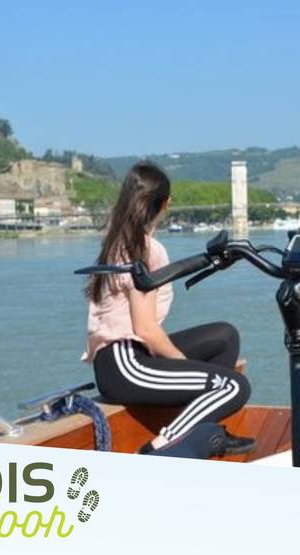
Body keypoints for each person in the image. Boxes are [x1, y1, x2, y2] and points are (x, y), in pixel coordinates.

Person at [82, 161, 254, 455]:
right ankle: (158, 448)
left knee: (225, 337)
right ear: (165, 204)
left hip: (121, 361)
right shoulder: (142, 249)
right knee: (234, 386)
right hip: (126, 365)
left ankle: (203, 428)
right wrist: (184, 364)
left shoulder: (118, 242)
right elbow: (146, 330)